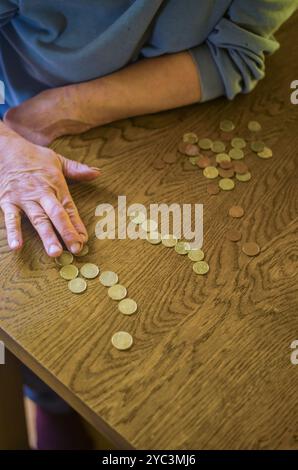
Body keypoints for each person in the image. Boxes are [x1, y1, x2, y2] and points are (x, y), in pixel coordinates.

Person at [0, 0, 296, 450]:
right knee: (37, 311)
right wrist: (8, 144)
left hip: (174, 122)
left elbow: (234, 54)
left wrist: (67, 106)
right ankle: (48, 401)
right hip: (31, 137)